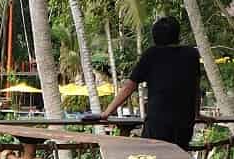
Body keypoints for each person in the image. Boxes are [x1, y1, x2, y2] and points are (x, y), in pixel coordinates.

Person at [84, 16, 202, 150]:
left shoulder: (152, 54)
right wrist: (196, 114)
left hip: (158, 123)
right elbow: (196, 88)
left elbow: (129, 86)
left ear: (155, 36)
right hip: (184, 123)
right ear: (177, 34)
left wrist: (106, 113)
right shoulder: (191, 54)